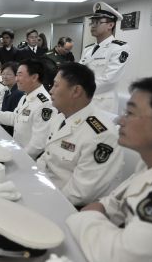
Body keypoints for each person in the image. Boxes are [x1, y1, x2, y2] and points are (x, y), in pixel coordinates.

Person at [67, 76, 152, 262]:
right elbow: (117, 200)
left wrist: (86, 218)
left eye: (131, 113)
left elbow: (118, 255)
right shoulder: (147, 163)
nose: (121, 121)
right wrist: (103, 207)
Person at [37, 63, 123, 207]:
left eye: (56, 85)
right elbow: (46, 158)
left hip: (69, 207)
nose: (50, 90)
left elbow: (81, 193)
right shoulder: (62, 117)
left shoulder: (101, 134)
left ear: (76, 91)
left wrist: (43, 201)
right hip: (46, 191)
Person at [0, 60, 56, 159]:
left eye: (20, 75)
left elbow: (38, 144)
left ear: (34, 77)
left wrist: (19, 158)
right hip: (17, 150)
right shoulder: (26, 96)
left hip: (28, 159)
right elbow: (14, 118)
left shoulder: (45, 103)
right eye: (16, 75)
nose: (17, 79)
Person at [79, 2, 130, 113]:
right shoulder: (88, 49)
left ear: (110, 25)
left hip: (103, 104)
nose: (93, 25)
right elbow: (79, 73)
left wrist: (80, 89)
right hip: (84, 101)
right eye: (92, 22)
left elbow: (109, 79)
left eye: (97, 22)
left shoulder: (119, 48)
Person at [0, 62, 24, 136]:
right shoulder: (8, 91)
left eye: (8, 74)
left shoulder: (18, 93)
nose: (4, 76)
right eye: (3, 74)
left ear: (16, 76)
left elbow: (12, 120)